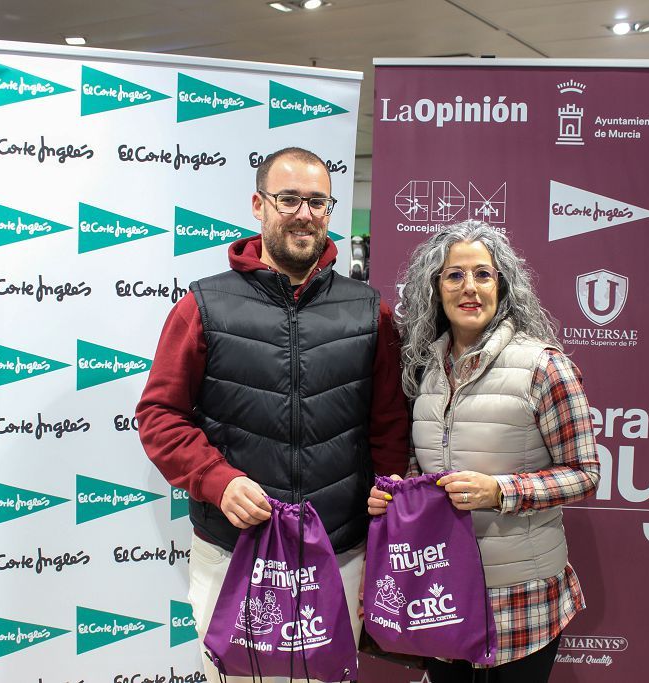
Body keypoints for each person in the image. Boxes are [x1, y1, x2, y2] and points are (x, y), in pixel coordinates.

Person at [136, 147, 410, 682]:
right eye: (288, 199)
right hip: (235, 552)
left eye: (316, 201)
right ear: (259, 205)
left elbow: (389, 426)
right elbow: (160, 414)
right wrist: (217, 481)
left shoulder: (368, 309)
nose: (303, 213)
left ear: (330, 211)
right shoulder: (203, 306)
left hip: (338, 550)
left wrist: (387, 496)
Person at [368, 220, 600, 683]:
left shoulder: (543, 366)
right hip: (440, 592)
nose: (468, 287)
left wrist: (500, 491)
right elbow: (424, 466)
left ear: (502, 285)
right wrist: (396, 496)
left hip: (519, 601)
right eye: (454, 275)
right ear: (435, 287)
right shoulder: (425, 372)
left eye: (483, 274)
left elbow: (584, 473)